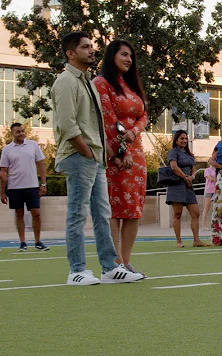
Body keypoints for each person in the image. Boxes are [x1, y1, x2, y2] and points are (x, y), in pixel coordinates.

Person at [52, 31, 144, 285]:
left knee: (103, 213)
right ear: (71, 53)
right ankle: (77, 270)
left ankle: (110, 267)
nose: (91, 51)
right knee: (77, 214)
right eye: (85, 47)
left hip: (95, 157)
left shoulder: (87, 81)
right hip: (80, 156)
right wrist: (87, 151)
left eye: (92, 47)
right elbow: (68, 126)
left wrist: (100, 155)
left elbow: (97, 123)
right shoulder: (66, 82)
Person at [94, 39, 149, 276]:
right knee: (115, 209)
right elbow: (106, 119)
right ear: (112, 56)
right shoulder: (101, 83)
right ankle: (114, 262)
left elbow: (143, 116)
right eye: (123, 55)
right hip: (113, 154)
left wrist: (134, 132)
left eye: (130, 56)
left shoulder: (131, 85)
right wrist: (117, 154)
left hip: (136, 153)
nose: (128, 59)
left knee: (133, 209)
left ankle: (126, 261)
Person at [0, 122, 50, 252]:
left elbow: (41, 164)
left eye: (22, 131)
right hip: (15, 187)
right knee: (19, 213)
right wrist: (2, 192)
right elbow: (3, 172)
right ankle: (22, 242)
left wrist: (43, 183)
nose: (21, 133)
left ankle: (38, 241)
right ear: (12, 134)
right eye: (18, 131)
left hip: (32, 186)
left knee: (36, 214)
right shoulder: (7, 149)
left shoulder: (33, 145)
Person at [166, 130, 209, 248]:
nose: (184, 141)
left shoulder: (189, 154)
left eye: (186, 139)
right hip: (176, 185)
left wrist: (192, 177)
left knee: (196, 213)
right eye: (182, 139)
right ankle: (179, 241)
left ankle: (196, 240)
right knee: (178, 214)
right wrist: (185, 177)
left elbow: (193, 169)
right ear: (176, 140)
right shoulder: (173, 152)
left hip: (188, 186)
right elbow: (174, 167)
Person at [200, 165, 217, 232]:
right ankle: (203, 225)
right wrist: (215, 178)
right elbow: (210, 179)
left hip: (216, 190)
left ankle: (215, 225)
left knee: (216, 208)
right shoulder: (207, 170)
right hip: (209, 191)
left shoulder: (217, 170)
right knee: (206, 208)